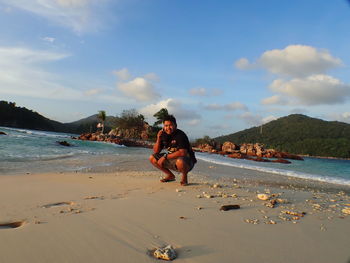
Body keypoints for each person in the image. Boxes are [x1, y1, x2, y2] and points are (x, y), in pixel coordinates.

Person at [149, 115, 196, 186]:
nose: (168, 128)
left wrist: (164, 157)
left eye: (170, 125)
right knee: (152, 158)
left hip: (187, 161)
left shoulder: (180, 135)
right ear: (163, 126)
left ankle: (184, 178)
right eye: (166, 125)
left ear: (175, 125)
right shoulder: (163, 134)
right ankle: (170, 175)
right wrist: (158, 138)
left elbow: (183, 152)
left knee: (180, 161)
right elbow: (156, 151)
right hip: (172, 159)